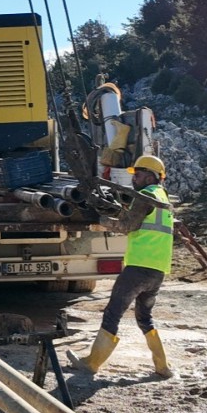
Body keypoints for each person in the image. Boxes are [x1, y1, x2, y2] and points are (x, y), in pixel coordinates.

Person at [68, 153, 176, 379]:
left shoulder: (145, 196)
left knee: (113, 313)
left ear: (149, 176)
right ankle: (162, 366)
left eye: (137, 174)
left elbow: (127, 226)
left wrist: (97, 218)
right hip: (157, 271)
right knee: (144, 317)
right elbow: (139, 221)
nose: (134, 179)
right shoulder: (163, 198)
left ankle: (92, 363)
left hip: (138, 268)